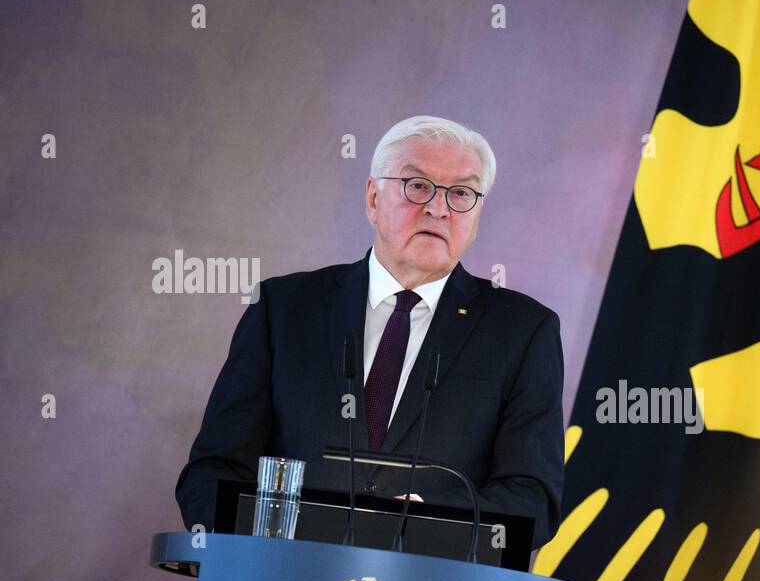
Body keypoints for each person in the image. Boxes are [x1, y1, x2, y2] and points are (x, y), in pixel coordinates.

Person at [175, 115, 564, 550]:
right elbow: (213, 471)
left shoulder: (522, 331)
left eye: (460, 193)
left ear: (476, 214)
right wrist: (257, 551)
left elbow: (532, 500)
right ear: (373, 198)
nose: (438, 208)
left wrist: (428, 521)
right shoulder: (283, 309)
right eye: (417, 186)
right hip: (281, 578)